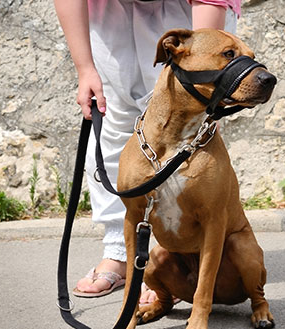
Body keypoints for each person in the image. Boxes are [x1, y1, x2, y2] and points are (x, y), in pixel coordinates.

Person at [53, 0, 241, 299]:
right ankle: (118, 251)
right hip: (110, 9)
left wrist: (206, 80)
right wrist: (84, 68)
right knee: (113, 120)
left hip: (189, 9)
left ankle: (174, 260)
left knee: (180, 127)